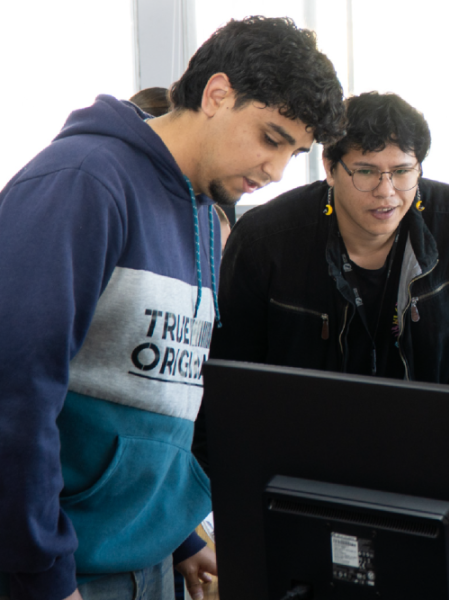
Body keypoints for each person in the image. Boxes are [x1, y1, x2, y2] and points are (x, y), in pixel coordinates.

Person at [0, 16, 344, 600]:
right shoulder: (84, 182)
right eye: (271, 137)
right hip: (64, 569)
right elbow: (15, 395)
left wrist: (181, 534)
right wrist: (44, 578)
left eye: (295, 152)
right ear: (217, 94)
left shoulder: (206, 211)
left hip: (149, 559)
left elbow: (149, 389)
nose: (276, 170)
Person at [207, 91, 449, 388]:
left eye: (401, 172)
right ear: (330, 168)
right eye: (365, 172)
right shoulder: (263, 240)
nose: (386, 192)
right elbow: (232, 377)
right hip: (304, 431)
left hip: (426, 428)